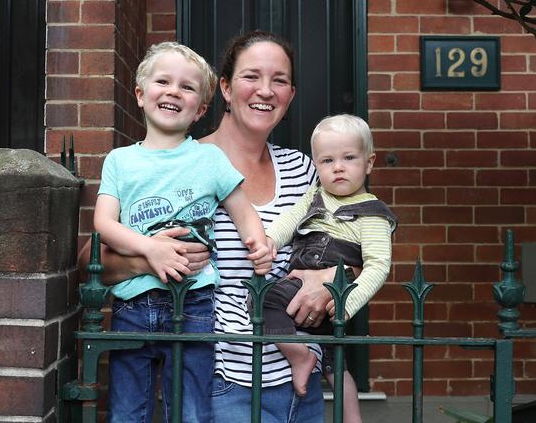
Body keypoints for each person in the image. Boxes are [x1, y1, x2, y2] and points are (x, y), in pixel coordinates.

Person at [79, 31, 338, 423]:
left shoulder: (302, 169)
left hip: (300, 379)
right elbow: (92, 260)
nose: (266, 91)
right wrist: (150, 258)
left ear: (291, 94)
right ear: (226, 88)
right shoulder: (183, 164)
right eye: (252, 76)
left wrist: (330, 277)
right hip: (221, 379)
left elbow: (350, 242)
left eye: (280, 80)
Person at [94, 41, 272, 423]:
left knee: (191, 408)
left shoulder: (208, 159)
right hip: (133, 303)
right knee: (127, 410)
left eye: (187, 87)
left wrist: (257, 242)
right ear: (140, 95)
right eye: (163, 81)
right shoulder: (120, 161)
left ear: (200, 110)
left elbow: (242, 210)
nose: (174, 91)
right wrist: (149, 251)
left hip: (194, 302)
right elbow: (104, 224)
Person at [260, 114, 397, 409]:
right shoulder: (316, 194)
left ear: (369, 162)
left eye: (349, 157)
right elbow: (291, 218)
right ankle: (301, 354)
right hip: (299, 286)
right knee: (334, 360)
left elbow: (378, 265)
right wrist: (271, 240)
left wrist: (347, 302)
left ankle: (303, 360)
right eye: (326, 161)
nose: (338, 167)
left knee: (265, 301)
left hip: (335, 296)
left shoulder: (372, 214)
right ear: (316, 165)